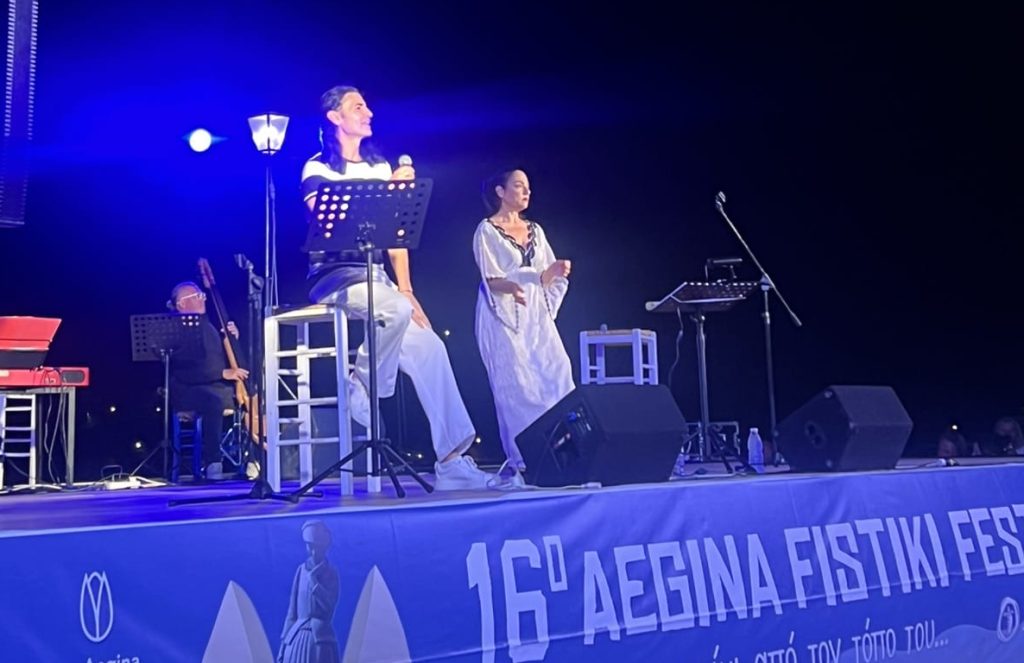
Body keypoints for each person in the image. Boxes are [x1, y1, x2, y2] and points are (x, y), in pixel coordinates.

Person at [301, 85, 489, 491]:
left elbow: (395, 237)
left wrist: (407, 288)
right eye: (358, 106)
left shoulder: (378, 166)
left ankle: (452, 460)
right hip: (335, 275)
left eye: (367, 105)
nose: (368, 112)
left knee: (431, 346)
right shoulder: (319, 168)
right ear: (334, 117)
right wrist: (387, 195)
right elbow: (328, 225)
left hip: (378, 281)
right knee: (394, 311)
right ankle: (364, 383)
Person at [473, 169, 574, 471]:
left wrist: (554, 272)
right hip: (502, 314)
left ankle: (566, 450)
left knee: (557, 373)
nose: (526, 192)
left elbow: (544, 276)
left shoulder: (536, 230)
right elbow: (491, 278)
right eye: (518, 186)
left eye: (528, 186)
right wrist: (513, 286)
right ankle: (527, 459)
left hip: (536, 313)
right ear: (500, 192)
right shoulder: (487, 230)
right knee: (517, 384)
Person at [167, 281, 248, 480]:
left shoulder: (208, 326)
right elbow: (186, 370)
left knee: (250, 394)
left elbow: (222, 359)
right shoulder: (175, 330)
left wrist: (232, 339)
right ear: (181, 304)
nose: (202, 299)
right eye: (196, 296)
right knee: (213, 400)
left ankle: (253, 458)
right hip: (187, 389)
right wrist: (223, 373)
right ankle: (213, 461)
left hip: (213, 385)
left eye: (202, 295)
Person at [278, 520, 340, 663]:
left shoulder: (331, 573)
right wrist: (284, 642)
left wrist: (314, 581)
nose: (314, 552)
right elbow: (292, 612)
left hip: (321, 640)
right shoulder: (301, 571)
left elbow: (329, 607)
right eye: (310, 546)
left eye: (317, 547)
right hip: (296, 639)